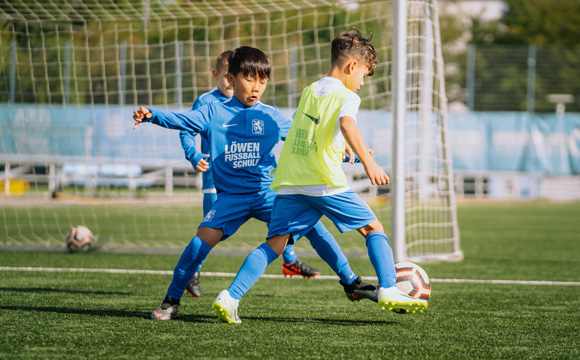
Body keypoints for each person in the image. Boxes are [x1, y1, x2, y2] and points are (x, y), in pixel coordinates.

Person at [133, 46, 378, 321]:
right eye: (249, 79)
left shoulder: (270, 115)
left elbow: (309, 139)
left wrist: (352, 152)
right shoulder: (213, 112)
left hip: (268, 193)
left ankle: (350, 282)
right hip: (231, 198)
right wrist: (152, 115)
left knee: (314, 227)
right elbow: (183, 121)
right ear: (231, 77)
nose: (256, 87)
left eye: (262, 81)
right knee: (197, 246)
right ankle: (170, 301)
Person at [213, 30, 428, 324]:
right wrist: (368, 161)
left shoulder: (311, 89)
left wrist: (343, 150)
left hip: (291, 180)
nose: (363, 82)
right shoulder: (347, 95)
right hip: (324, 181)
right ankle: (389, 288)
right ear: (352, 67)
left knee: (275, 244)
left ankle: (230, 296)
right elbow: (347, 124)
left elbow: (315, 133)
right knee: (373, 229)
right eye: (364, 75)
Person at [180, 51, 321, 299]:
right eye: (227, 77)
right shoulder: (207, 103)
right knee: (207, 236)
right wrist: (193, 155)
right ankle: (193, 272)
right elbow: (185, 129)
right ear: (221, 76)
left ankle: (290, 258)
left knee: (283, 217)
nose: (229, 83)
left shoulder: (259, 109)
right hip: (216, 181)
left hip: (255, 183)